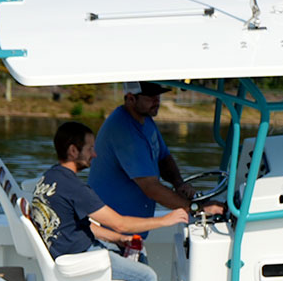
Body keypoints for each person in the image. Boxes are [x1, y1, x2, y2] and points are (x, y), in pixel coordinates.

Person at [31, 121, 189, 281]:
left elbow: (83, 226)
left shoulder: (50, 177)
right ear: (73, 151)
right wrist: (166, 219)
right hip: (79, 258)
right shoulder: (73, 187)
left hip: (70, 251)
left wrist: (118, 238)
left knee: (124, 254)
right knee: (145, 277)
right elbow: (120, 221)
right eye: (90, 148)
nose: (95, 154)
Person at [88, 80, 223, 221]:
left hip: (129, 227)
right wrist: (197, 208)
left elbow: (163, 158)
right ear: (130, 98)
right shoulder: (124, 130)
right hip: (110, 228)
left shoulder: (145, 119)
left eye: (158, 96)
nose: (156, 101)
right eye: (150, 97)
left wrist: (179, 184)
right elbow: (150, 187)